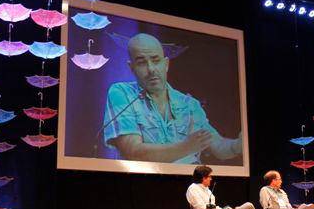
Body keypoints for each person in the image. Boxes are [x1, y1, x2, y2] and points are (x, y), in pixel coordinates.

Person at [103, 33, 242, 164]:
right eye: (141, 63)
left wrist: (239, 145)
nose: (151, 69)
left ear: (166, 64)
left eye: (156, 60)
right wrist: (187, 147)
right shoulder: (121, 92)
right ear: (131, 67)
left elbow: (220, 148)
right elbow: (133, 151)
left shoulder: (189, 104)